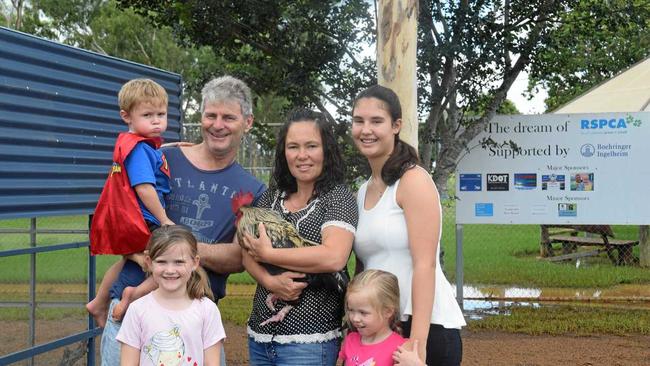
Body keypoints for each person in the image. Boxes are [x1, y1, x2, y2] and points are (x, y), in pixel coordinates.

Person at [100, 75, 266, 366]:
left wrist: (176, 251)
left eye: (228, 117)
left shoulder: (253, 190)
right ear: (200, 117)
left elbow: (239, 257)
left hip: (197, 318)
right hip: (133, 310)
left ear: (247, 123)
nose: (217, 125)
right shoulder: (161, 157)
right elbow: (118, 217)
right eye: (210, 115)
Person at [351, 85, 466, 366]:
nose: (366, 130)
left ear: (396, 125)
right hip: (383, 325)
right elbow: (364, 267)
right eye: (358, 121)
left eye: (376, 121)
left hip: (426, 326)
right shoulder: (363, 191)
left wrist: (417, 344)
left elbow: (424, 264)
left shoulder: (412, 180)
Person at [242, 108, 358, 366]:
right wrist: (268, 280)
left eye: (311, 146)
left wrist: (269, 255)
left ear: (326, 150)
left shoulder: (338, 197)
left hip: (310, 340)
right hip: (260, 336)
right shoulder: (272, 196)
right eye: (293, 146)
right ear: (284, 152)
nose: (302, 155)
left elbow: (334, 257)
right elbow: (246, 249)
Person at [87, 78, 173, 328]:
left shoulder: (139, 145)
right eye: (148, 115)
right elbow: (145, 188)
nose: (157, 120)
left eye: (161, 114)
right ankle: (130, 297)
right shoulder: (139, 150)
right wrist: (164, 219)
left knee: (129, 260)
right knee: (172, 264)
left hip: (133, 216)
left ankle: (98, 301)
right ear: (127, 116)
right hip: (146, 219)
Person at [116, 225, 225, 366]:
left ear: (194, 262)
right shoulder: (137, 310)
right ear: (149, 262)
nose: (170, 270)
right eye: (162, 262)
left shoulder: (207, 310)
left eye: (179, 262)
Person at [339, 269, 406, 366]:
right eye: (351, 310)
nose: (355, 318)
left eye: (363, 312)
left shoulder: (400, 348)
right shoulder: (350, 340)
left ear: (388, 311)